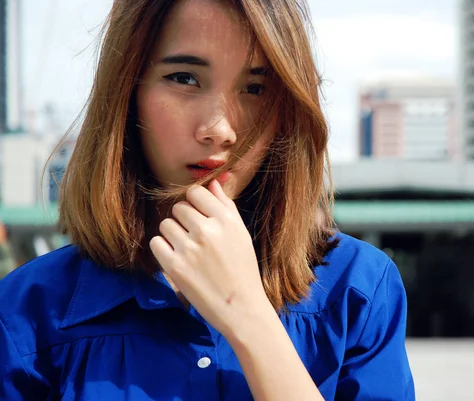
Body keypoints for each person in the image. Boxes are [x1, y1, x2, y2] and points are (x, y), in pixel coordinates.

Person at [0, 0, 415, 399]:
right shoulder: (27, 311)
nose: (219, 129)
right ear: (127, 91)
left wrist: (250, 320)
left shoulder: (357, 290)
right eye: (184, 78)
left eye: (255, 88)